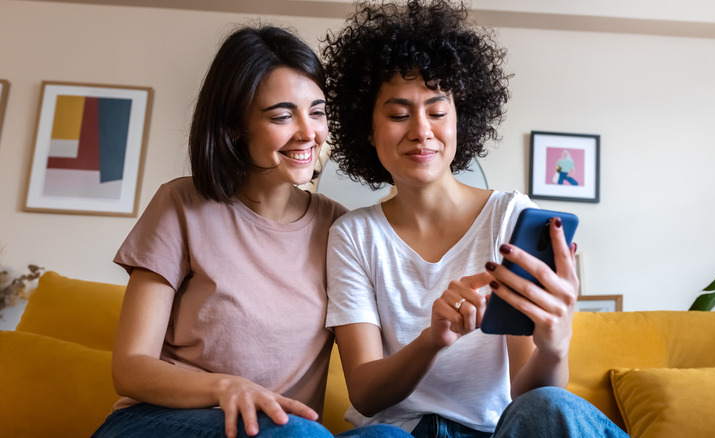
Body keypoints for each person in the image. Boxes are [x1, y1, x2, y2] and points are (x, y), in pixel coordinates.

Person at [322, 1, 628, 437]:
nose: (421, 131)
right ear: (367, 130)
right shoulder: (353, 235)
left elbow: (532, 402)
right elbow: (365, 394)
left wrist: (554, 347)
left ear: (459, 120)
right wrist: (433, 339)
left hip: (497, 431)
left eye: (437, 111)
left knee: (552, 405)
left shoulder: (509, 216)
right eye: (398, 114)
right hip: (398, 431)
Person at [93, 24, 410, 438]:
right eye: (282, 116)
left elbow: (369, 375)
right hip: (156, 422)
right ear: (235, 126)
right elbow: (130, 368)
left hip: (280, 431)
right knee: (298, 434)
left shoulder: (341, 229)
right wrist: (225, 387)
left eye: (317, 112)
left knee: (388, 437)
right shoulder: (181, 203)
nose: (308, 133)